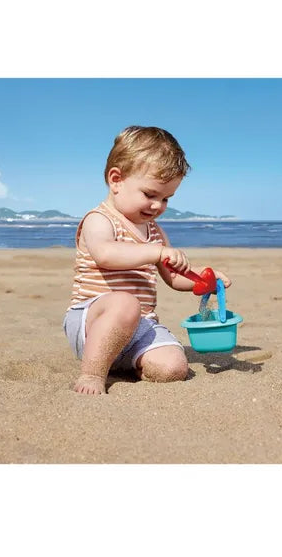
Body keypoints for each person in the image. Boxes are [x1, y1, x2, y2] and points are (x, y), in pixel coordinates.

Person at [62, 126, 231, 395]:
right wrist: (156, 252)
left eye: (166, 199)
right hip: (93, 323)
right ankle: (93, 372)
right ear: (116, 180)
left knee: (174, 368)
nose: (158, 206)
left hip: (138, 327)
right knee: (125, 303)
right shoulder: (99, 220)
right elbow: (105, 254)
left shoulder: (155, 233)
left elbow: (174, 277)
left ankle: (129, 362)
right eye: (150, 194)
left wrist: (202, 278)